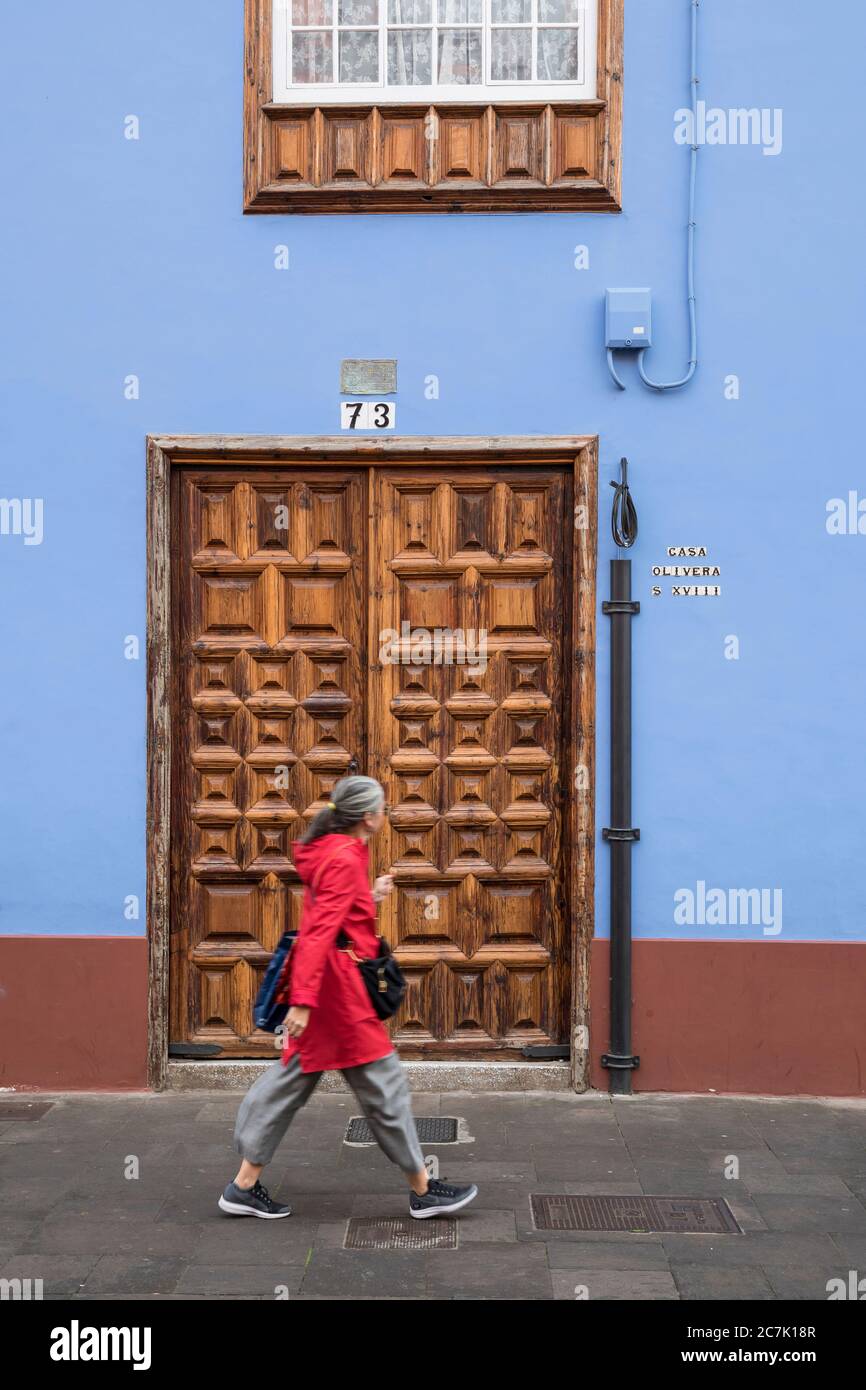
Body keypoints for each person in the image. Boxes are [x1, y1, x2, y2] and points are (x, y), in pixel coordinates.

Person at [219, 774, 478, 1221]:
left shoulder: (341, 851)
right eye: (382, 807)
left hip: (327, 991)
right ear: (367, 817)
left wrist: (368, 894)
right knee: (384, 1087)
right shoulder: (343, 857)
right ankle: (422, 1190)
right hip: (336, 997)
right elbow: (320, 932)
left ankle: (244, 1184)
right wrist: (301, 1001)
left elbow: (335, 915)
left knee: (290, 1084)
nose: (386, 812)